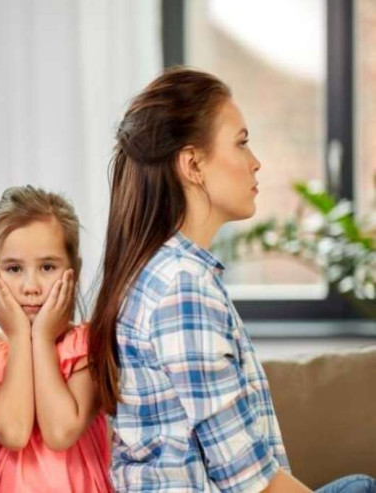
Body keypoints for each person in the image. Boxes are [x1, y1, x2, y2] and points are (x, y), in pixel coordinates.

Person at [88, 67, 376, 493]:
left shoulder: (167, 273)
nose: (255, 162)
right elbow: (249, 481)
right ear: (193, 165)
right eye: (241, 143)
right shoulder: (181, 289)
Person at [0, 185, 112, 493]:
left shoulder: (88, 346)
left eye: (47, 267)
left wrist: (42, 339)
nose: (30, 286)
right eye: (14, 269)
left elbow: (60, 432)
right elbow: (14, 432)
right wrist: (21, 337)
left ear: (75, 270)